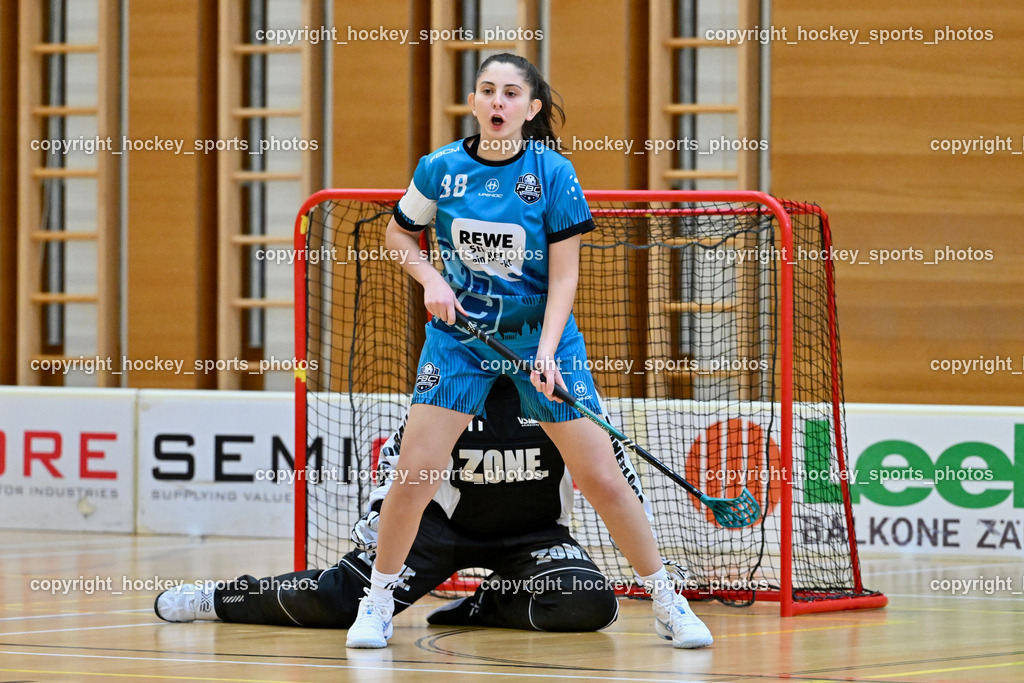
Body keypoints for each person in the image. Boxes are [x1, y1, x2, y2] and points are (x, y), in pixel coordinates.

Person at [348, 52, 713, 649]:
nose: (498, 102)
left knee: (599, 475)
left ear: (530, 108)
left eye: (511, 93)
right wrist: (431, 280)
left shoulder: (553, 173)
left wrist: (546, 352)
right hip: (461, 340)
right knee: (414, 475)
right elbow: (398, 232)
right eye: (487, 91)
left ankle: (667, 600)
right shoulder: (440, 169)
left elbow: (565, 276)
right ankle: (377, 601)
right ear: (473, 102)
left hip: (542, 340)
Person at [155, 378, 657, 634]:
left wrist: (649, 549)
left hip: (533, 535)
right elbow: (400, 465)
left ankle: (482, 607)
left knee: (590, 600)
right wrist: (376, 531)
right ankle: (219, 598)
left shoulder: (568, 396)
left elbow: (616, 480)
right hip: (435, 532)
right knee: (339, 601)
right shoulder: (451, 387)